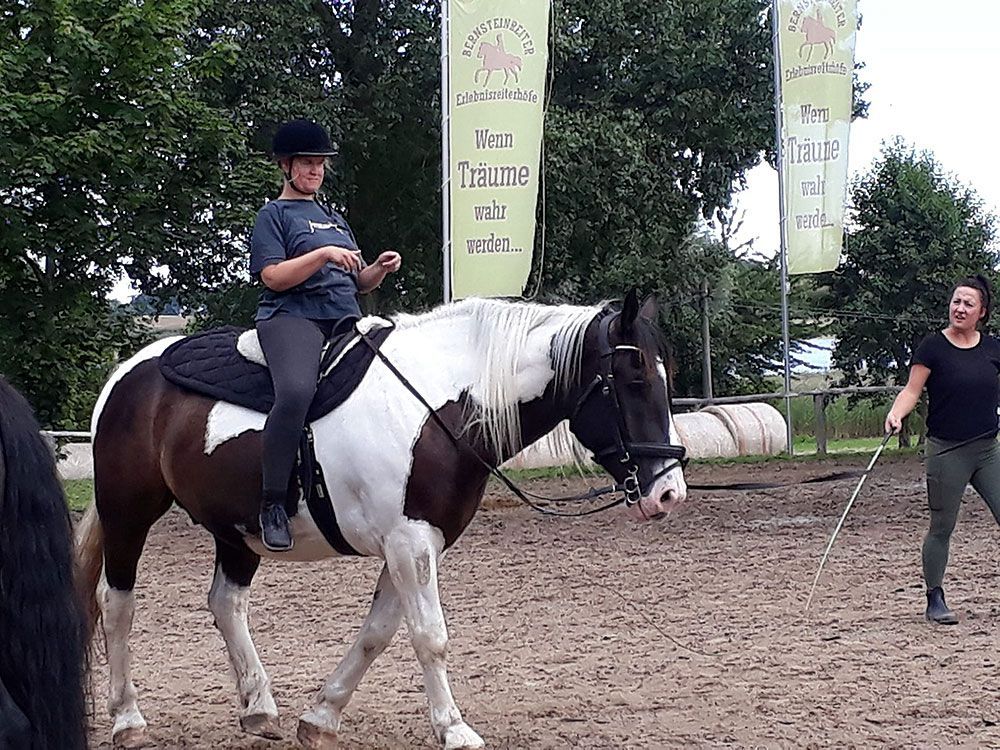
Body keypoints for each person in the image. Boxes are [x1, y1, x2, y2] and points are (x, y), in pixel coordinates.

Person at [250, 119, 402, 551]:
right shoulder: (273, 215)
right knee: (296, 392)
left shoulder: (332, 218)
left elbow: (357, 282)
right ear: (286, 166)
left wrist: (378, 269)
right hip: (292, 317)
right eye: (307, 163)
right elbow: (273, 276)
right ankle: (272, 504)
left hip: (344, 317)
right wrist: (321, 255)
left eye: (320, 164)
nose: (315, 171)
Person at [884, 274, 1000, 624]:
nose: (959, 308)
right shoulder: (932, 347)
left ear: (982, 311)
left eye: (968, 303)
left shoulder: (994, 348)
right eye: (956, 301)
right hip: (947, 452)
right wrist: (896, 413)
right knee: (942, 526)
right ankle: (935, 597)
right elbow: (911, 390)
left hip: (989, 450)